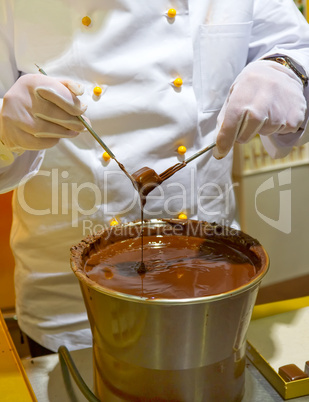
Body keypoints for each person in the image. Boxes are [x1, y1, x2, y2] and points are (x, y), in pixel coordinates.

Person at [1, 0, 309, 356]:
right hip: (70, 310)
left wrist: (287, 70)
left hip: (211, 288)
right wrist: (4, 131)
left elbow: (297, 48)